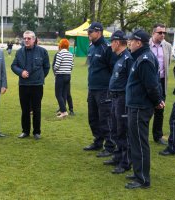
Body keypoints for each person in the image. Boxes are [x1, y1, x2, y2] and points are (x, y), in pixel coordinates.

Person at [125, 29, 165, 189]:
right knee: (135, 142)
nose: (129, 43)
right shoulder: (141, 57)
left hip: (140, 107)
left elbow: (152, 85)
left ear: (138, 42)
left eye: (131, 41)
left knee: (140, 143)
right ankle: (138, 172)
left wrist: (157, 101)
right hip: (136, 105)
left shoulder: (145, 60)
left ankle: (142, 179)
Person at [82, 22, 116, 158]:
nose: (88, 34)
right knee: (93, 117)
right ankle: (97, 141)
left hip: (104, 90)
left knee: (105, 119)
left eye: (90, 31)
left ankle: (110, 146)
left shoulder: (106, 48)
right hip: (92, 89)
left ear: (99, 32)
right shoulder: (91, 48)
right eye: (88, 32)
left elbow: (114, 69)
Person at [103, 30, 133, 174]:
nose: (110, 45)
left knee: (122, 130)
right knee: (115, 129)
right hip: (115, 98)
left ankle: (125, 162)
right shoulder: (120, 58)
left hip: (122, 99)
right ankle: (117, 156)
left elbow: (130, 81)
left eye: (111, 42)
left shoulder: (128, 58)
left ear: (116, 42)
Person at [11, 30, 50, 140]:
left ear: (34, 39)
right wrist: (21, 72)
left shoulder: (42, 51)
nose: (26, 40)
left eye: (29, 38)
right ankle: (25, 131)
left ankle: (37, 132)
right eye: (25, 38)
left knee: (37, 109)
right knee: (25, 109)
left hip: (37, 85)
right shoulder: (19, 52)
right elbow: (13, 66)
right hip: (23, 85)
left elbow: (46, 67)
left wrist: (40, 77)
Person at [149, 23, 172, 145]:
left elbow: (167, 65)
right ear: (153, 33)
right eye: (160, 32)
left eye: (164, 32)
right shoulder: (145, 45)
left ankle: (157, 136)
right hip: (148, 81)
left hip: (161, 81)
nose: (163, 35)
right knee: (146, 109)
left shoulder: (168, 46)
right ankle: (140, 134)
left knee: (160, 109)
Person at [53, 38, 74, 118]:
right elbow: (72, 66)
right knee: (64, 94)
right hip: (68, 76)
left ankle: (64, 111)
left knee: (58, 94)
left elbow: (56, 66)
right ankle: (62, 110)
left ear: (60, 45)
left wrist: (55, 68)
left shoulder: (59, 54)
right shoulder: (70, 54)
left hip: (60, 76)